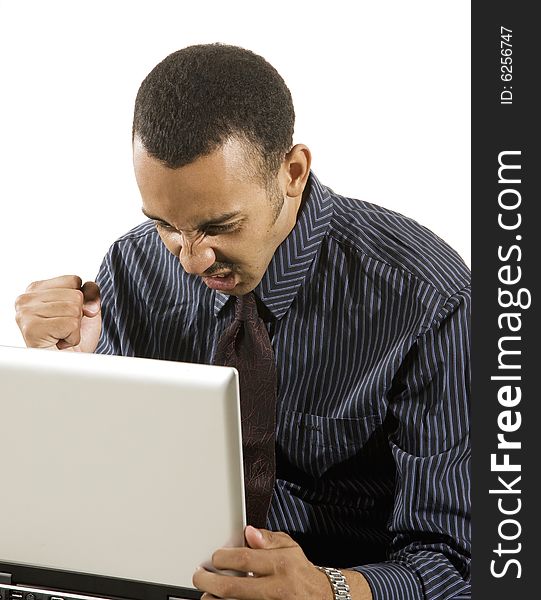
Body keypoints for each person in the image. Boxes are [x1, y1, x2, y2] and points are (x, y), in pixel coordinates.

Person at [15, 43, 471, 600]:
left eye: (220, 225)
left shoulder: (428, 298)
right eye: (165, 224)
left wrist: (329, 591)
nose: (191, 258)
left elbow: (460, 563)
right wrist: (67, 379)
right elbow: (119, 491)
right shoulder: (133, 268)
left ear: (293, 172)